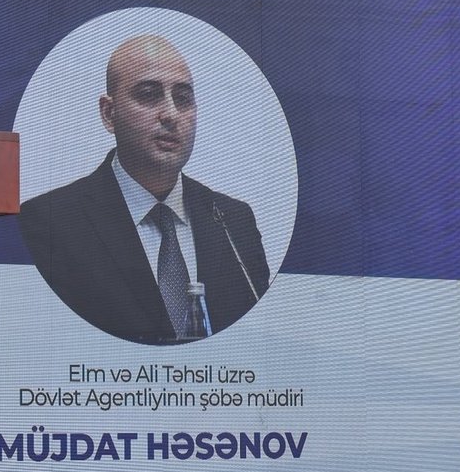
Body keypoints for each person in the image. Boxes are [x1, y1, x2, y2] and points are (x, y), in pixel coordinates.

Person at [19, 33, 271, 344]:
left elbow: (260, 337)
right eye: (149, 95)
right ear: (109, 114)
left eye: (183, 99)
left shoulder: (234, 221)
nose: (171, 114)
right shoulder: (49, 222)